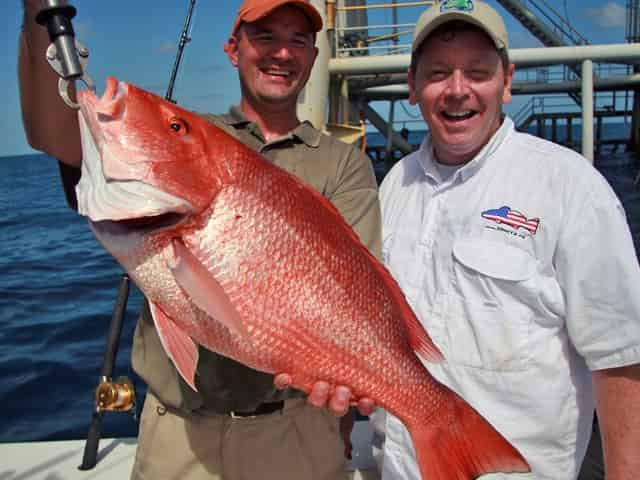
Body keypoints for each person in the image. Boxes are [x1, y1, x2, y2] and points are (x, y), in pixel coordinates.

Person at [19, 1, 381, 479]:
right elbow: (56, 133)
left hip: (296, 434)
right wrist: (37, 13)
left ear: (314, 58)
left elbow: (361, 293)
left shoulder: (344, 164)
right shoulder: (197, 134)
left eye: (298, 40)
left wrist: (357, 384)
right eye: (265, 36)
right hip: (177, 436)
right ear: (233, 49)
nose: (282, 53)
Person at [372, 1, 640, 479]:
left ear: (507, 82)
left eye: (477, 72)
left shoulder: (570, 186)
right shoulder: (394, 184)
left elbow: (621, 356)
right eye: (438, 73)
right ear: (412, 86)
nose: (457, 90)